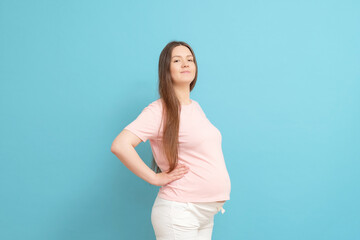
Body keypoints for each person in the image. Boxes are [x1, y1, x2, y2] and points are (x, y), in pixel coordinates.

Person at [111, 41, 231, 240]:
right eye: (177, 60)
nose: (185, 64)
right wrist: (154, 177)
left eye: (190, 60)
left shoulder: (196, 108)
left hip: (205, 213)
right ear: (166, 69)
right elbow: (120, 145)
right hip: (180, 212)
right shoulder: (159, 110)